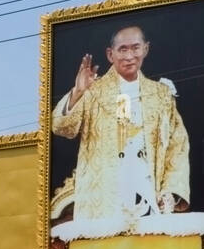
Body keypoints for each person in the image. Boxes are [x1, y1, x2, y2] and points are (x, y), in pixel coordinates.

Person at [51, 25, 191, 225]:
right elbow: (61, 127)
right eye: (122, 49)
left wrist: (170, 192)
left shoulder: (161, 95)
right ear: (110, 54)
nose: (130, 55)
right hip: (103, 202)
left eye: (135, 48)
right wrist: (77, 93)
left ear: (146, 49)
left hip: (148, 195)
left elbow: (178, 147)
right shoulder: (92, 90)